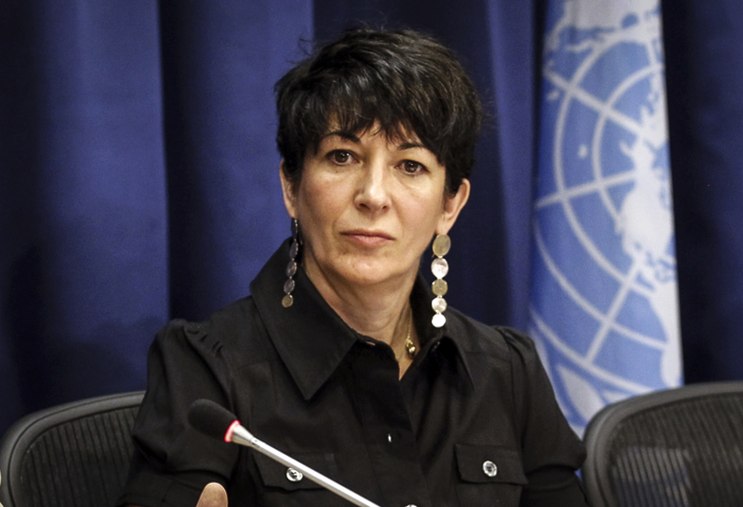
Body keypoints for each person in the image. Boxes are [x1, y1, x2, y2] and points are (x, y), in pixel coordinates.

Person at [119, 27, 589, 507]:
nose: (373, 196)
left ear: (450, 205)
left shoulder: (506, 372)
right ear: (291, 187)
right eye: (342, 157)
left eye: (411, 166)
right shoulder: (208, 369)